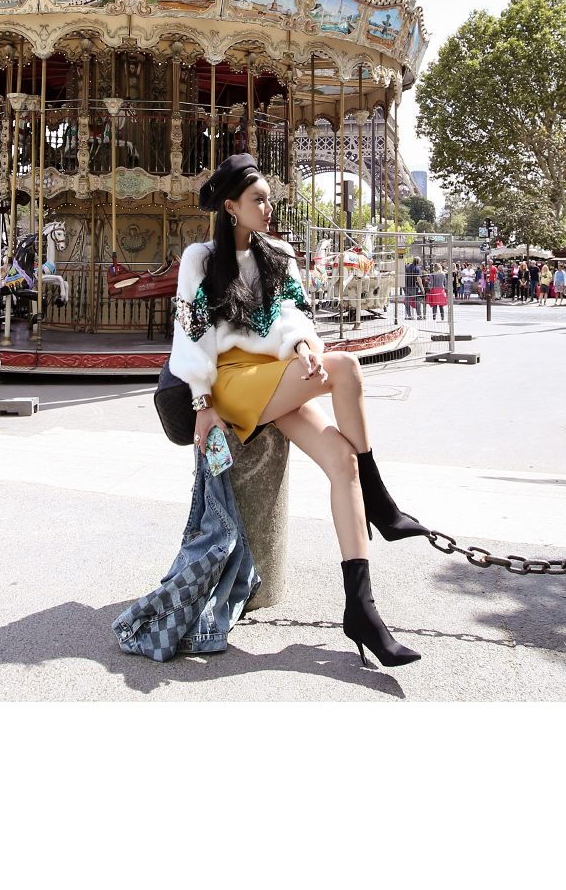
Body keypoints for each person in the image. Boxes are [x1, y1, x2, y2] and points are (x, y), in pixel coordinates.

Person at [168, 153, 424, 668]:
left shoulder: (279, 253)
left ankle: (361, 608)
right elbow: (192, 333)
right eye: (258, 199)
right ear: (231, 207)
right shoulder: (201, 258)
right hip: (232, 380)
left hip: (275, 374)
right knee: (347, 367)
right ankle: (381, 502)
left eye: (269, 199)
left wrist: (304, 344)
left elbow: (294, 313)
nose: (269, 207)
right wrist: (201, 403)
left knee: (342, 462)